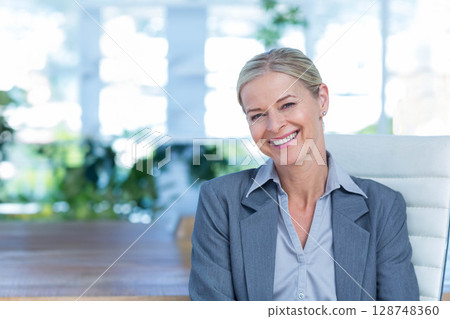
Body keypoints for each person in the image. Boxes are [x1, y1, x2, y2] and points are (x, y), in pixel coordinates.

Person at [189, 48, 419, 301]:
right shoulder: (221, 201)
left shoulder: (383, 207)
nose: (274, 126)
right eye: (257, 115)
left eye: (287, 105)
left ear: (322, 100)